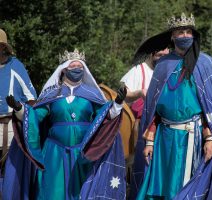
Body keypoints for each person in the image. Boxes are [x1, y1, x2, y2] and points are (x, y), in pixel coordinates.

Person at [130, 13, 212, 199]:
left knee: (188, 186)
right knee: (163, 187)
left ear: (193, 35)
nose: (185, 36)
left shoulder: (205, 63)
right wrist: (150, 140)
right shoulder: (163, 64)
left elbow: (210, 109)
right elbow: (153, 108)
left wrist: (210, 139)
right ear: (172, 36)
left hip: (192, 137)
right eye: (180, 32)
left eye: (188, 32)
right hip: (164, 138)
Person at [2, 49, 127, 200]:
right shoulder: (52, 95)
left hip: (82, 154)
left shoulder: (92, 94)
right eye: (73, 66)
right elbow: (34, 117)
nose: (77, 69)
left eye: (80, 67)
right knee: (52, 193)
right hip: (54, 152)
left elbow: (105, 117)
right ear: (63, 70)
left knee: (82, 193)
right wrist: (19, 108)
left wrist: (118, 103)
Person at [120, 48, 169, 147]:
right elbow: (125, 95)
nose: (162, 58)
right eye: (160, 55)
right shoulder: (139, 70)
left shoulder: (170, 72)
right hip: (141, 124)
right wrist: (139, 93)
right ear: (152, 53)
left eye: (165, 56)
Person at [0, 28, 37, 149]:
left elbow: (32, 102)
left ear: (3, 47)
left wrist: (18, 107)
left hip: (10, 132)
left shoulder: (16, 66)